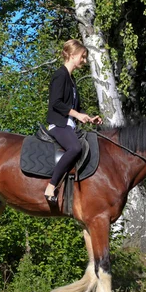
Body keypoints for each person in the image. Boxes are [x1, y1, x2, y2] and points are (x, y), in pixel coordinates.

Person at [44, 39, 102, 203]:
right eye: (82, 57)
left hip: (70, 126)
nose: (84, 61)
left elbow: (77, 107)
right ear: (72, 55)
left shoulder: (72, 80)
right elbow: (56, 103)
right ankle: (51, 186)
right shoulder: (60, 75)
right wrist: (76, 115)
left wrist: (89, 118)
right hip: (59, 125)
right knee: (75, 148)